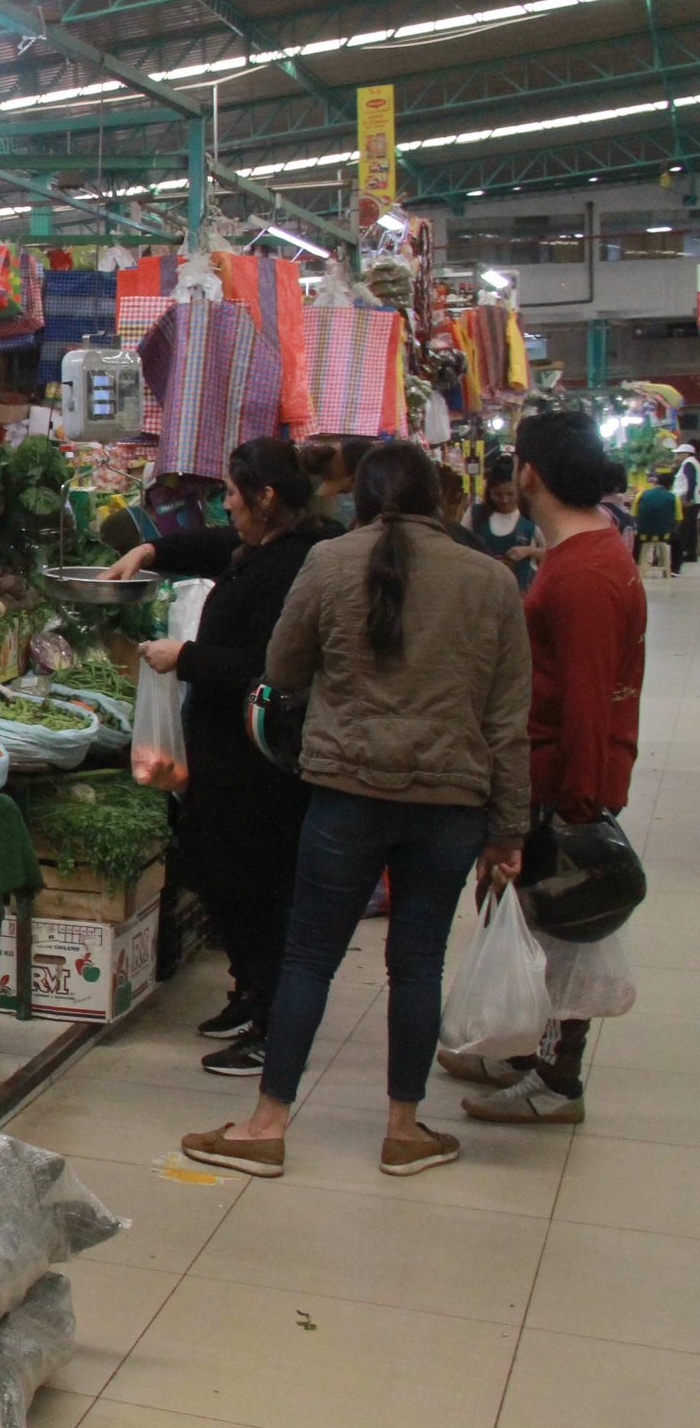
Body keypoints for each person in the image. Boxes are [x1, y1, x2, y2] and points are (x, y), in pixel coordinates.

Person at [180, 442, 531, 1180]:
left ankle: (267, 1124)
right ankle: (404, 1128)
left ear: (362, 499)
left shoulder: (330, 563)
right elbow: (507, 720)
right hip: (451, 802)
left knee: (309, 958)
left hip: (345, 792)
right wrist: (508, 831)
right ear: (439, 499)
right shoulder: (490, 580)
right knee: (418, 963)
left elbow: (279, 672)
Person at [104, 439, 335, 1075]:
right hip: (225, 756)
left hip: (261, 762)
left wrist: (185, 659)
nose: (224, 505)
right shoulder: (264, 545)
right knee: (221, 875)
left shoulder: (297, 565)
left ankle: (272, 1025)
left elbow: (269, 665)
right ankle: (249, 993)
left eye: (233, 494)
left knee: (255, 887)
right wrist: (150, 549)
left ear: (265, 498)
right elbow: (211, 545)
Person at [453, 410, 647, 1124]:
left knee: (564, 932)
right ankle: (521, 1050)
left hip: (565, 780)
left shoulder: (585, 572)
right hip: (550, 771)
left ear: (528, 473)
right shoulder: (579, 556)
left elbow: (591, 699)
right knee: (533, 922)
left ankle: (556, 1080)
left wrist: (578, 804)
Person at [469, 456, 542, 591]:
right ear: (489, 491)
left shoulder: (531, 516)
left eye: (510, 494)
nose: (504, 500)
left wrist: (529, 551)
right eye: (498, 494)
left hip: (520, 593)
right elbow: (457, 544)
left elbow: (552, 554)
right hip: (481, 590)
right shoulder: (475, 514)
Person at [635, 468, 679, 574]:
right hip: (664, 534)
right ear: (671, 485)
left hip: (642, 534)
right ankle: (674, 569)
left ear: (656, 482)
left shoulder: (640, 495)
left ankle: (635, 564)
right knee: (678, 541)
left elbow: (635, 516)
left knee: (636, 541)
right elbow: (678, 520)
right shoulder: (674, 498)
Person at [673, 442, 700, 574]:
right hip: (693, 500)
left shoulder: (689, 463)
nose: (677, 456)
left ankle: (685, 552)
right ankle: (690, 553)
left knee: (685, 528)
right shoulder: (692, 463)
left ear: (686, 453)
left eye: (679, 454)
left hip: (688, 500)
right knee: (690, 528)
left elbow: (691, 481)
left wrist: (688, 498)